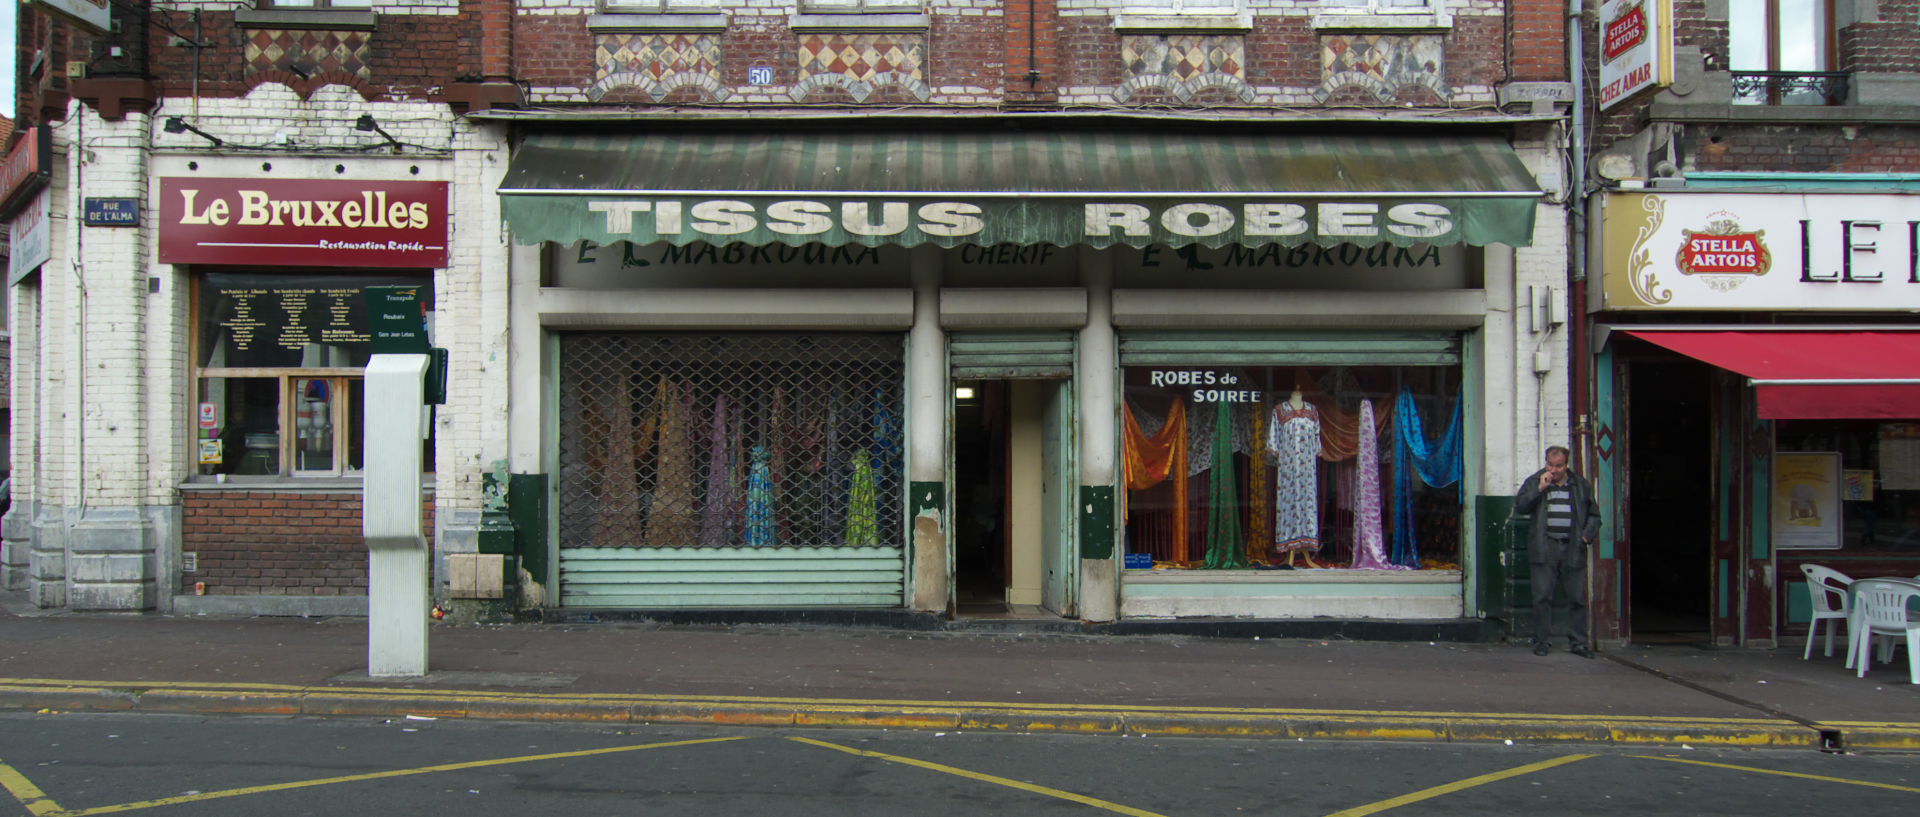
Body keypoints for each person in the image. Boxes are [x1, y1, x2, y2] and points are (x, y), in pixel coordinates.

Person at [1514, 445, 1602, 658]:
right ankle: (1542, 641)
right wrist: (1540, 489)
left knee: (1577, 598)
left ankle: (1578, 643)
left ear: (1567, 464)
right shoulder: (1535, 482)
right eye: (1550, 465)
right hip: (1545, 546)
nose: (1553, 470)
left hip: (1572, 546)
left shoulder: (1580, 485)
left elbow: (1594, 515)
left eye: (1558, 466)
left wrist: (1585, 537)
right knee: (1542, 596)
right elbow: (1521, 507)